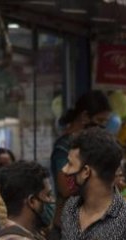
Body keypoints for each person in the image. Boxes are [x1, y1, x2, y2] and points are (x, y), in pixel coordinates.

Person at [51, 91, 111, 226]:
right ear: (84, 116)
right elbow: (65, 187)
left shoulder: (92, 144)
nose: (101, 127)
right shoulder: (64, 147)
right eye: (100, 120)